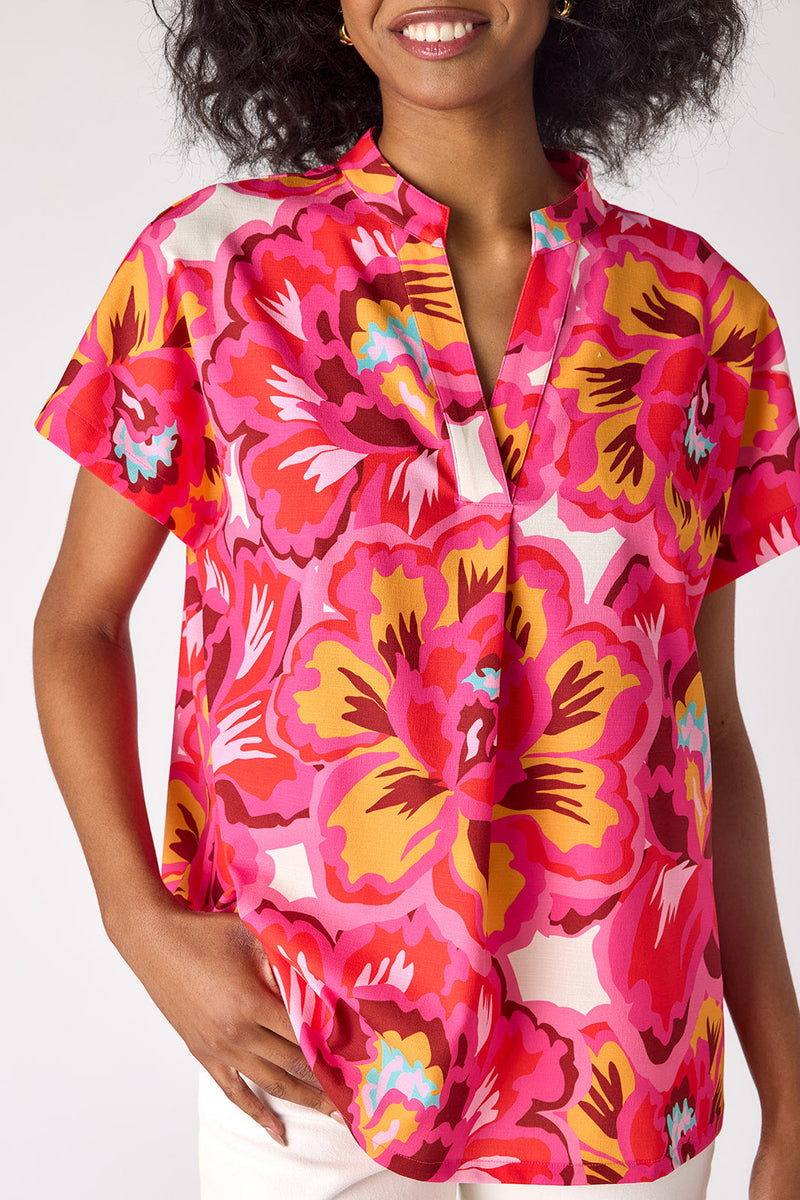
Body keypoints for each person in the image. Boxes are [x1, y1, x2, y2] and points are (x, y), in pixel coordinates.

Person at [31, 0, 800, 1196]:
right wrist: (139, 926)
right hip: (303, 1049)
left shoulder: (699, 317)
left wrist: (788, 1109)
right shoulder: (210, 271)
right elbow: (77, 625)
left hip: (616, 1068)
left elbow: (706, 737)